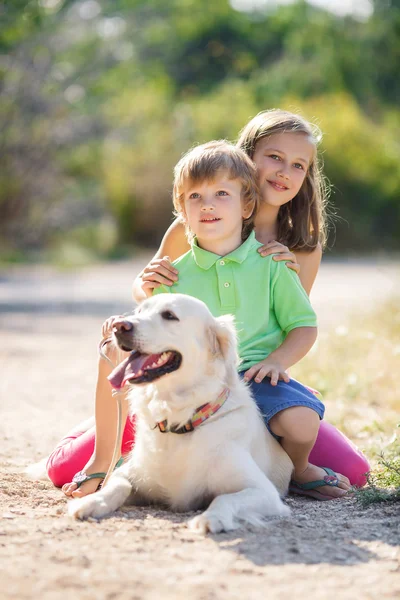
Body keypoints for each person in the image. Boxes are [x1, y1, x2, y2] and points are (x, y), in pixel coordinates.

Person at [49, 111, 369, 498]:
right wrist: (140, 288)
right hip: (188, 377)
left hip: (252, 381)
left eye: (297, 165)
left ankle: (286, 468)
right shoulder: (200, 219)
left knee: (354, 470)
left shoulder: (300, 244)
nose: (284, 171)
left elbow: (292, 322)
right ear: (247, 158)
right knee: (67, 466)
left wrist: (280, 366)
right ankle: (99, 428)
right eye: (273, 157)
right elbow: (155, 288)